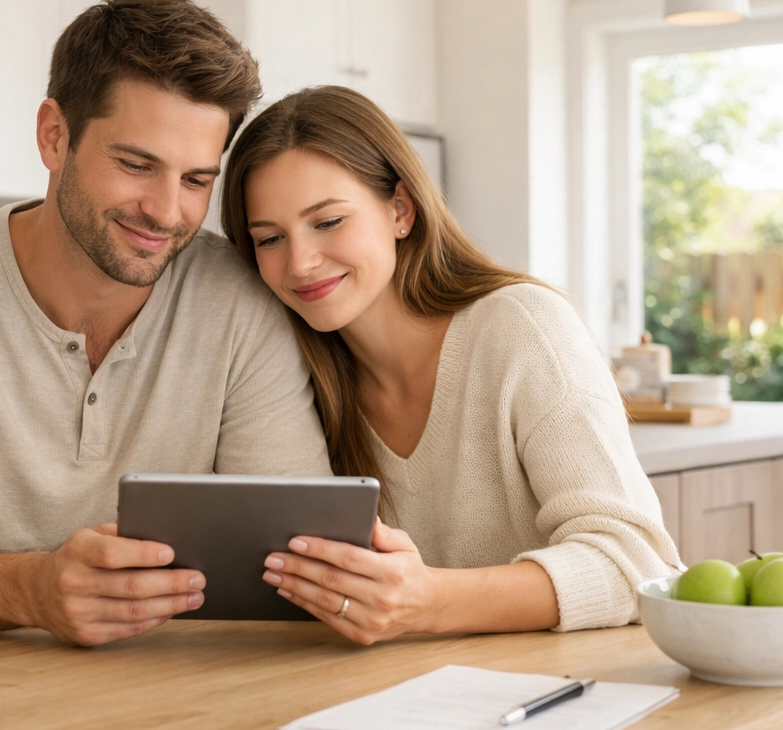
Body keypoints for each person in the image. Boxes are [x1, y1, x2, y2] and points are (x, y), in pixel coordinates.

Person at [0, 0, 331, 647]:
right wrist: (29, 590)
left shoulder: (242, 302)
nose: (165, 211)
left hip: (168, 700)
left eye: (195, 180)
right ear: (54, 136)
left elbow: (293, 546)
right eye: (136, 165)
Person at [220, 85, 681, 645]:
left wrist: (429, 601)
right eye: (269, 238)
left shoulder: (521, 328)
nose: (300, 262)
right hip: (404, 700)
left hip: (558, 692)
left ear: (400, 210)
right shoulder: (293, 379)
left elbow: (639, 565)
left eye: (328, 222)